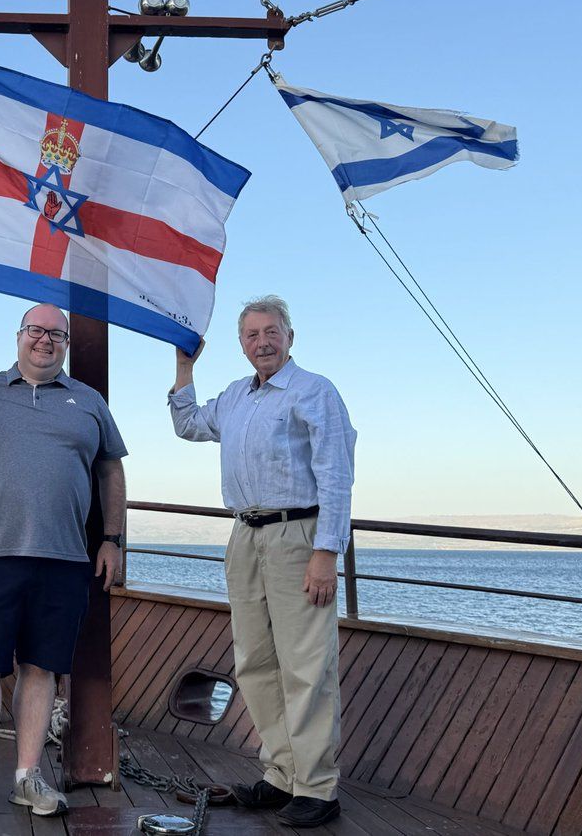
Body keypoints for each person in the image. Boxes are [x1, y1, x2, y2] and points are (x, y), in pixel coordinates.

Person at [0, 303, 126, 828]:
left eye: (55, 334)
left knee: (41, 668)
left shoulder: (89, 402)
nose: (45, 340)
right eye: (35, 331)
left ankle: (27, 776)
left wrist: (112, 540)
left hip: (65, 560)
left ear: (64, 343)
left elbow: (110, 471)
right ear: (18, 337)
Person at [168, 295, 356, 829]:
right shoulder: (233, 397)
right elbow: (188, 426)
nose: (262, 342)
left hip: (299, 535)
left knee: (306, 664)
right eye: (251, 334)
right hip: (244, 535)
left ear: (290, 336)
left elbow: (337, 476)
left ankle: (317, 787)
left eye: (271, 331)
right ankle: (281, 775)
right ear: (242, 344)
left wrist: (326, 550)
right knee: (254, 661)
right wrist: (185, 367)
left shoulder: (314, 392)